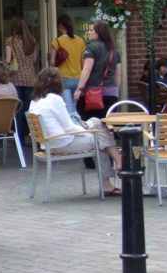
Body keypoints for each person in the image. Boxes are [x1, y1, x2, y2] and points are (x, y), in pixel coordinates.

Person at [30, 68, 122, 197]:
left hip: (50, 143)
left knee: (96, 122)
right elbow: (69, 128)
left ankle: (118, 161)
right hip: (62, 142)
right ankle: (110, 179)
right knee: (99, 139)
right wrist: (88, 132)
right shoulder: (54, 99)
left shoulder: (35, 101)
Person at [74, 20, 121, 121]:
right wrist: (116, 90)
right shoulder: (115, 51)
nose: (89, 32)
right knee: (107, 125)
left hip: (92, 93)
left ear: (99, 32)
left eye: (91, 30)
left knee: (89, 124)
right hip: (111, 93)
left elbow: (87, 69)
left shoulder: (91, 47)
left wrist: (79, 89)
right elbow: (118, 75)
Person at [49, 15, 86, 117]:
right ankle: (78, 129)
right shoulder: (80, 41)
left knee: (68, 109)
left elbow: (52, 62)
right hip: (78, 78)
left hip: (64, 78)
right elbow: (83, 62)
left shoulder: (57, 41)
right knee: (76, 108)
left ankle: (71, 131)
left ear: (60, 26)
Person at [6, 18, 37, 125]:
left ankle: (20, 138)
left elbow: (8, 60)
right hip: (30, 78)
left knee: (18, 109)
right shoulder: (32, 40)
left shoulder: (10, 41)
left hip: (16, 78)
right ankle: (30, 135)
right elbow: (34, 59)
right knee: (29, 109)